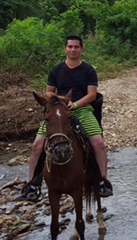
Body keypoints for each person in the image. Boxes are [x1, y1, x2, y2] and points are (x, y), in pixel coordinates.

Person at [16, 35, 113, 201]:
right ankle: (32, 183)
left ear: (82, 49)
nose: (73, 50)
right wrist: (59, 101)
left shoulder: (89, 70)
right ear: (65, 49)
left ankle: (102, 180)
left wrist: (74, 105)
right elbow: (48, 92)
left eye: (76, 47)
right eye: (70, 47)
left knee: (98, 143)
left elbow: (91, 95)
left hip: (81, 109)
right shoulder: (56, 70)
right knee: (37, 144)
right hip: (59, 111)